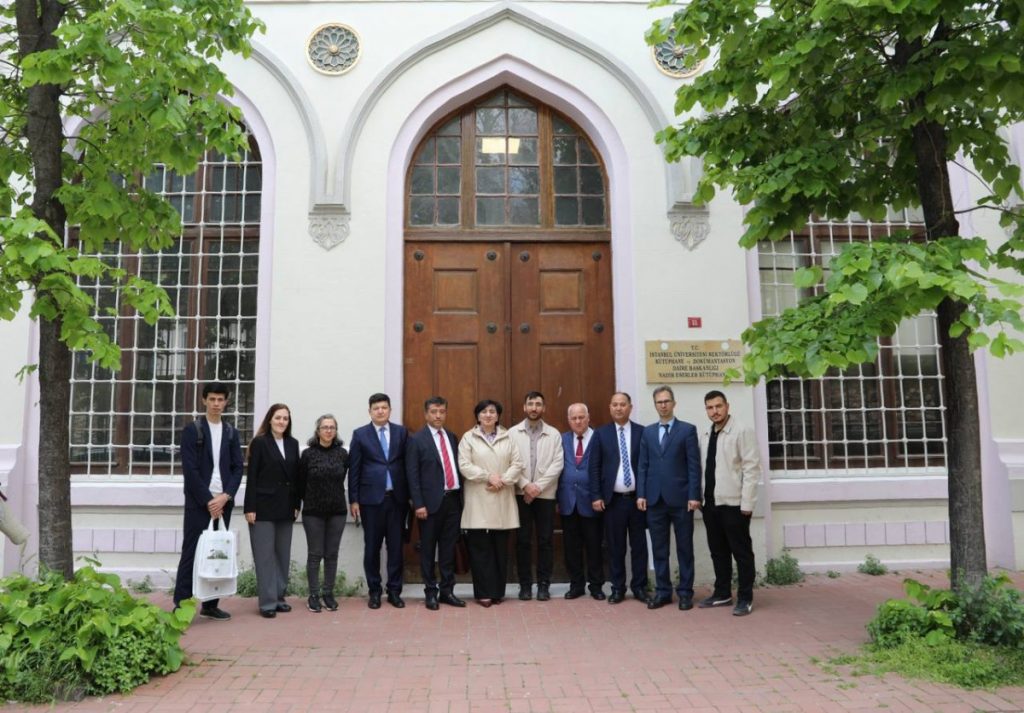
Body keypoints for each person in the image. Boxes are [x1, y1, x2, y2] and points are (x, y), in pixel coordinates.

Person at [172, 382, 244, 620]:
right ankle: (181, 605)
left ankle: (211, 605)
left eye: (220, 400)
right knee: (191, 552)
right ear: (204, 400)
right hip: (198, 503)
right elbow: (190, 471)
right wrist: (208, 500)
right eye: (212, 399)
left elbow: (238, 468)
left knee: (217, 552)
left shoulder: (231, 432)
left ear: (226, 402)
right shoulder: (192, 430)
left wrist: (225, 497)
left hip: (223, 503)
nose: (216, 404)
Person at [637, 386, 701, 611]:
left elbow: (694, 466)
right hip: (655, 500)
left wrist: (694, 495)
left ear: (674, 403)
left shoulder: (687, 430)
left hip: (682, 500)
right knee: (659, 549)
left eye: (666, 401)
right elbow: (643, 465)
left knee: (685, 549)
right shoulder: (648, 432)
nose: (663, 405)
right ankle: (663, 591)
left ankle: (685, 593)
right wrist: (641, 494)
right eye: (659, 402)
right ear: (655, 405)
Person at [699, 390, 761, 617]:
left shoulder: (742, 431)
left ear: (727, 406)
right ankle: (722, 593)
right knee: (718, 552)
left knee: (741, 553)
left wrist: (747, 503)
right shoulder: (706, 433)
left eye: (718, 406)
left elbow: (752, 469)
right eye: (710, 407)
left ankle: (745, 597)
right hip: (711, 504)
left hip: (735, 505)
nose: (714, 411)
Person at [458, 399, 524, 607]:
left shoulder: (508, 437)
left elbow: (518, 464)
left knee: (499, 551)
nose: (488, 415)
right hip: (478, 500)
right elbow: (464, 465)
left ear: (498, 416)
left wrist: (502, 480)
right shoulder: (468, 438)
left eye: (492, 412)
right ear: (477, 416)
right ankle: (483, 593)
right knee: (480, 551)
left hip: (502, 498)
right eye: (484, 412)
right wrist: (488, 477)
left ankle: (497, 592)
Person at [348, 393, 409, 609]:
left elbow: (408, 465)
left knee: (396, 548)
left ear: (390, 410)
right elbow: (354, 469)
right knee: (372, 548)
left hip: (397, 499)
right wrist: (354, 499)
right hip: (370, 501)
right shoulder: (360, 434)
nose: (380, 411)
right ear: (370, 411)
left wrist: (411, 496)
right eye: (376, 408)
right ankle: (374, 591)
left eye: (384, 407)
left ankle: (394, 591)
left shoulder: (401, 432)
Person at [405, 396, 466, 610]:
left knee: (449, 549)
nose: (438, 415)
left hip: (453, 502)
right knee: (429, 550)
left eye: (441, 411)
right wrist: (418, 504)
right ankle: (430, 591)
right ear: (426, 414)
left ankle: (447, 591)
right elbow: (412, 475)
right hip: (429, 505)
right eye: (433, 411)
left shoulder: (452, 437)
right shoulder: (416, 440)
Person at [588, 392, 648, 604]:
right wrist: (596, 495)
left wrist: (645, 494)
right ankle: (618, 588)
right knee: (616, 547)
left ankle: (640, 587)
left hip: (638, 501)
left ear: (630, 407)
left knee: (639, 547)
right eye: (615, 404)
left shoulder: (642, 432)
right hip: (612, 501)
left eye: (623, 404)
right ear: (610, 407)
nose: (619, 408)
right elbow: (594, 467)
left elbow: (647, 465)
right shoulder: (601, 434)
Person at [244, 403, 300, 618]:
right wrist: (250, 507)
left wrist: (297, 504)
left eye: (285, 418)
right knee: (265, 556)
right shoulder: (260, 443)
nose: (281, 422)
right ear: (270, 419)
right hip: (263, 507)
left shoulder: (293, 443)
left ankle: (279, 597)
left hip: (286, 506)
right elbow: (252, 477)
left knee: (282, 555)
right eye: (278, 417)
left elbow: (295, 477)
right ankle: (267, 602)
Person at [508, 391, 563, 602]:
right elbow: (509, 463)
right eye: (530, 404)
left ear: (544, 408)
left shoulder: (554, 434)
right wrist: (525, 485)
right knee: (522, 541)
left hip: (545, 495)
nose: (534, 408)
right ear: (524, 407)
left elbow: (557, 464)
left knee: (545, 540)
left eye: (538, 404)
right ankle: (524, 585)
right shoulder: (512, 433)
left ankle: (543, 585)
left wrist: (537, 487)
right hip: (520, 494)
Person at [297, 414, 349, 613]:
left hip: (337, 511)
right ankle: (313, 595)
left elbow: (342, 478)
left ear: (336, 431)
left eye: (332, 428)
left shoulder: (342, 454)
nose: (328, 431)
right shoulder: (307, 455)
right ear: (317, 431)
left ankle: (328, 593)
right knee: (315, 554)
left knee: (331, 554)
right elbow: (301, 483)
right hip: (313, 512)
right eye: (324, 427)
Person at [558, 403, 605, 600]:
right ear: (569, 420)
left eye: (581, 417)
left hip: (592, 501)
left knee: (594, 546)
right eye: (574, 418)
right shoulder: (562, 439)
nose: (578, 421)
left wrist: (599, 495)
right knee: (571, 547)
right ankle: (576, 585)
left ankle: (596, 586)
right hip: (568, 501)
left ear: (588, 417)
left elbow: (605, 468)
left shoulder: (599, 437)